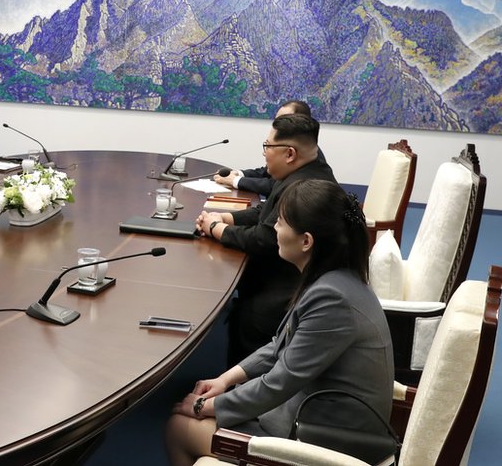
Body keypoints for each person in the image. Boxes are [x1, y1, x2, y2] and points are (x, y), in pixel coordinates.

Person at [168, 180, 394, 465]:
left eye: (281, 222)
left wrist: (205, 406)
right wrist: (225, 379)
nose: (273, 227)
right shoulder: (337, 279)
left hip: (326, 440)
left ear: (306, 241)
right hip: (318, 417)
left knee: (179, 427)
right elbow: (282, 344)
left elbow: (278, 383)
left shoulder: (331, 297)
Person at [197, 114, 336, 366]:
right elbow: (268, 215)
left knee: (247, 318)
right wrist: (227, 218)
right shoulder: (303, 173)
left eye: (268, 147)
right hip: (285, 279)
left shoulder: (303, 187)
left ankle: (236, 392)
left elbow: (265, 239)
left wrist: (216, 228)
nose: (264, 154)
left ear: (290, 154)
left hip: (285, 291)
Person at [213, 100, 325, 197]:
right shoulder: (288, 146)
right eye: (277, 119)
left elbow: (274, 186)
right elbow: (266, 172)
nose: (277, 124)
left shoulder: (307, 156)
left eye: (284, 120)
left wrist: (235, 181)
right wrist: (238, 173)